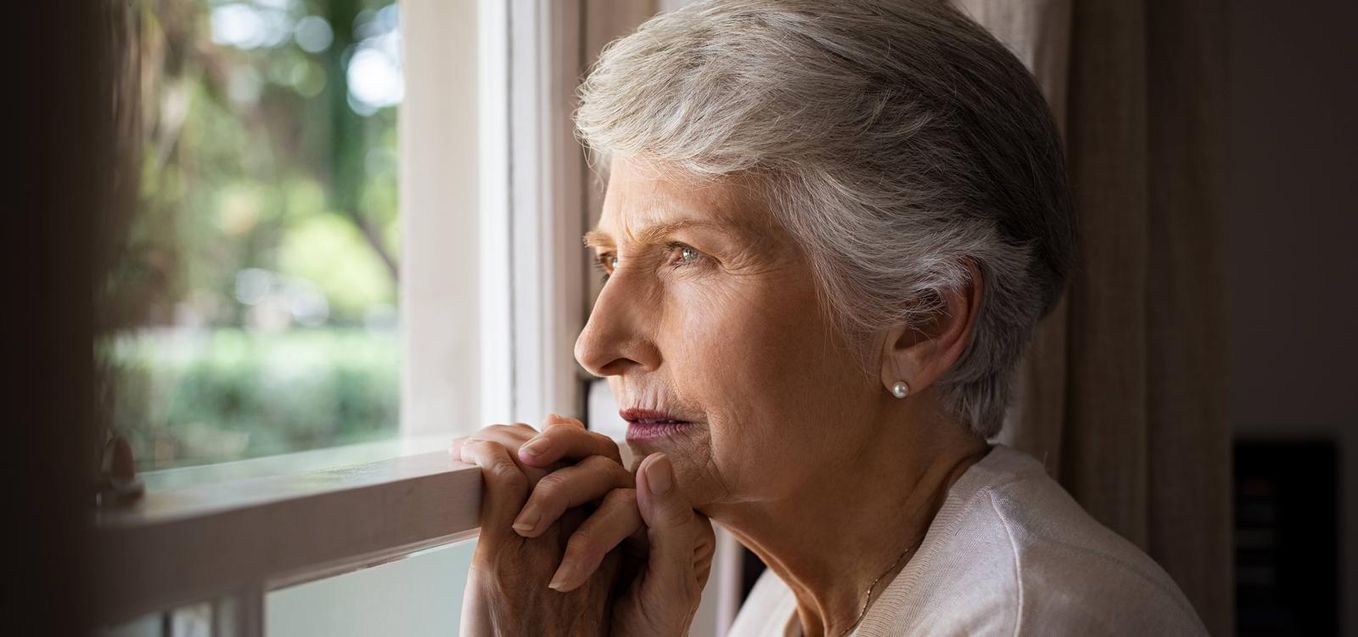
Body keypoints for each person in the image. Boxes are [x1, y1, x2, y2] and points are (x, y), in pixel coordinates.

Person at [452, 0, 1208, 634]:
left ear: (920, 321)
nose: (596, 345)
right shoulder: (791, 599)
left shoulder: (1032, 619)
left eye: (686, 254)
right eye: (610, 259)